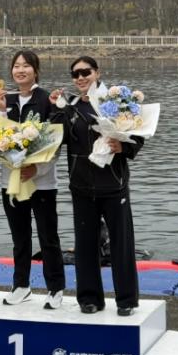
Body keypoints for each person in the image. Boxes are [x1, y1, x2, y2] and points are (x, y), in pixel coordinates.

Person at [49, 56, 144, 316]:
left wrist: (123, 147)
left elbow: (138, 136)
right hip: (81, 187)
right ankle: (90, 299)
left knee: (121, 245)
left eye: (85, 72)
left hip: (114, 186)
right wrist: (56, 108)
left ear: (97, 72)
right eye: (75, 74)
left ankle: (126, 300)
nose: (80, 78)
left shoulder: (116, 102)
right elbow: (57, 138)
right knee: (85, 246)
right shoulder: (70, 107)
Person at [0, 50, 65, 309]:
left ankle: (55, 288)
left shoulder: (46, 99)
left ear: (36, 70)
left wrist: (36, 171)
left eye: (26, 66)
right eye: (16, 66)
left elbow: (55, 143)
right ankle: (21, 285)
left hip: (41, 182)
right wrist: (2, 110)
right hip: (11, 181)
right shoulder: (6, 99)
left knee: (48, 236)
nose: (20, 70)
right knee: (19, 237)